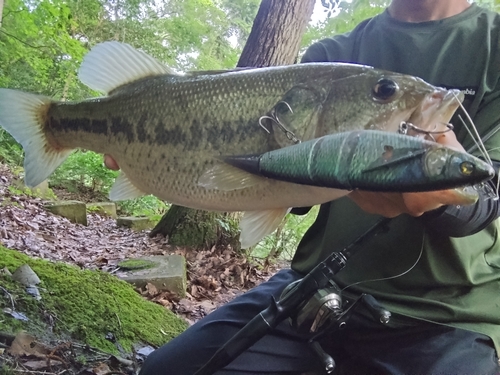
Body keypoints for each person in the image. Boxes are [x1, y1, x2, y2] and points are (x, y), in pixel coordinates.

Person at [107, 1, 500, 373]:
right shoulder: (331, 53)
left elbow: (485, 200)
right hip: (314, 290)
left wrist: (440, 190)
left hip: (449, 317)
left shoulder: (494, 45)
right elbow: (286, 194)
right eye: (384, 93)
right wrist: (149, 153)